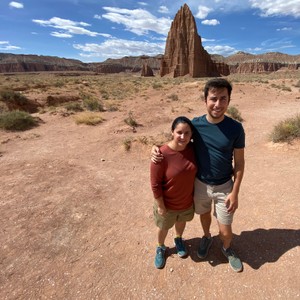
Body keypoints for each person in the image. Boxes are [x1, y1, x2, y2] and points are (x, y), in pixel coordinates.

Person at [151, 78, 245, 272]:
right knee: (204, 216)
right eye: (213, 98)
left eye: (223, 99)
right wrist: (156, 149)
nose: (218, 104)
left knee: (226, 230)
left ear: (229, 100)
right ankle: (206, 237)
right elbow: (178, 139)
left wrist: (235, 192)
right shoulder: (196, 126)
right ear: (205, 100)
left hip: (224, 186)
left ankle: (227, 248)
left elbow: (240, 163)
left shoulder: (236, 128)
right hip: (200, 185)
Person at [150, 116, 197, 269]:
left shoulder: (192, 149)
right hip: (167, 204)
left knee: (181, 222)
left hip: (186, 202)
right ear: (172, 132)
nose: (183, 137)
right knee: (163, 227)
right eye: (179, 132)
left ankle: (178, 239)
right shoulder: (161, 155)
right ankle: (161, 246)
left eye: (187, 133)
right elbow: (155, 184)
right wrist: (161, 205)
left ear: (191, 135)